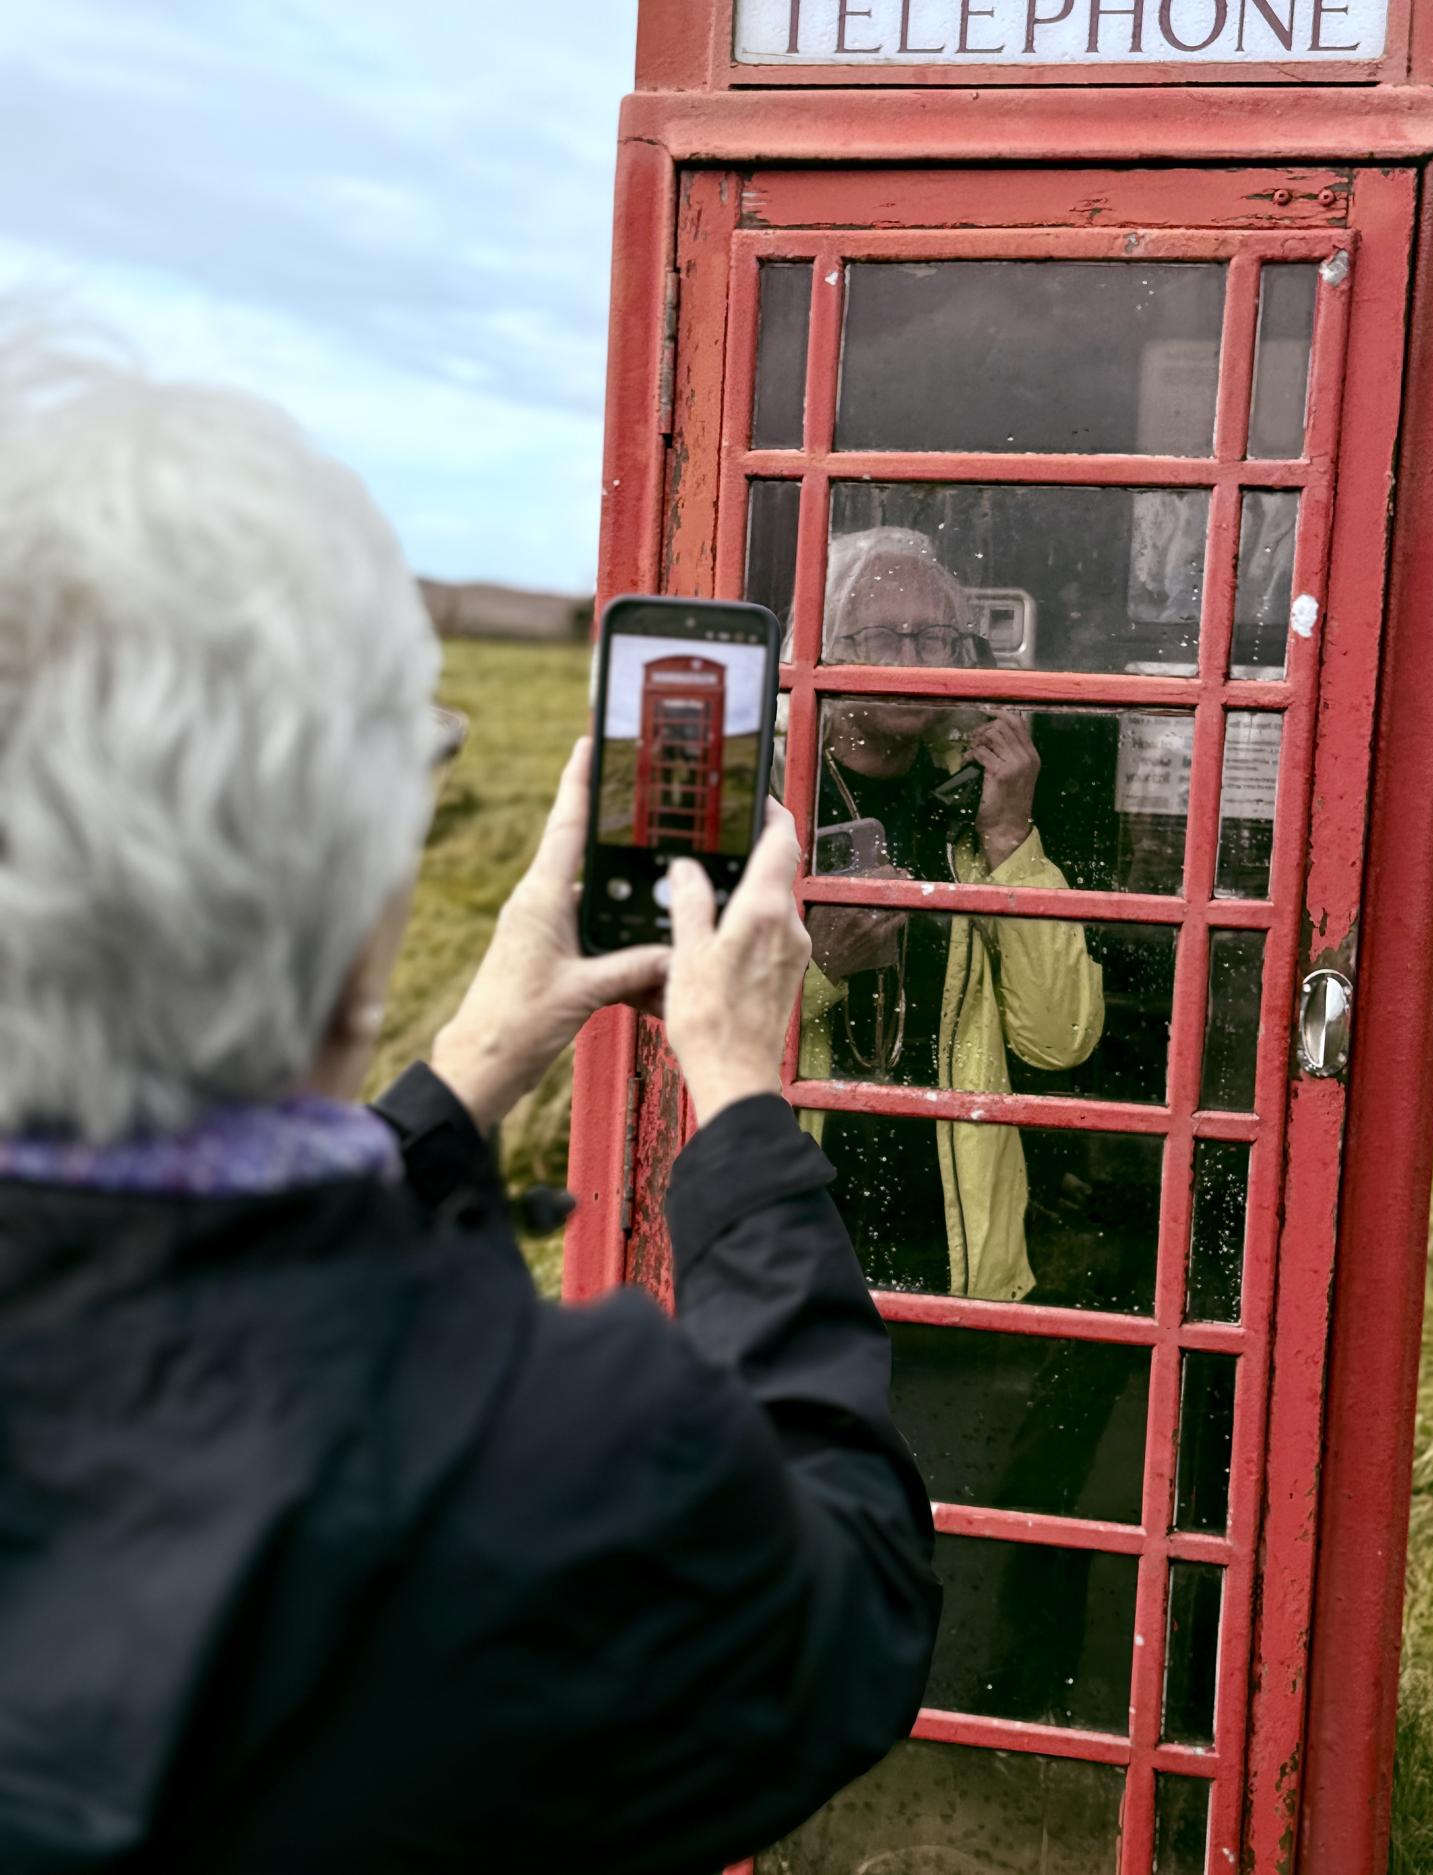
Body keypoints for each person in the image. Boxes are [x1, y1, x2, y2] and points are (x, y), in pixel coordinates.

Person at [0, 334, 941, 1873]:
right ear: (369, 881)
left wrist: (475, 1058)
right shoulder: (568, 1472)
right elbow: (853, 1586)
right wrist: (743, 1098)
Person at [799, 527, 1105, 1303]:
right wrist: (818, 969)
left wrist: (1010, 836)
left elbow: (1059, 1037)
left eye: (933, 637)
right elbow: (687, 1022)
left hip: (954, 1265)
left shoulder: (972, 818)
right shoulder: (770, 803)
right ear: (828, 647)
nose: (909, 661)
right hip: (790, 1261)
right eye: (880, 637)